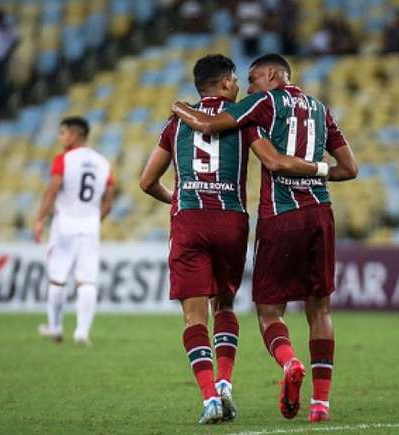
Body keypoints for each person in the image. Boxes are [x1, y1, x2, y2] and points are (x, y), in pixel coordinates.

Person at [140, 54, 328, 425]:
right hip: (231, 220)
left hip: (189, 219)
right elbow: (270, 158)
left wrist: (178, 198)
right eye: (237, 80)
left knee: (194, 316)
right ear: (226, 83)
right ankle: (225, 382)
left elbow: (147, 182)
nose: (241, 86)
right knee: (223, 306)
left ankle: (210, 398)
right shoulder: (245, 119)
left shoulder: (175, 123)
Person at [34, 117, 115, 345]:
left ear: (74, 135)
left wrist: (40, 219)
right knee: (87, 280)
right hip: (90, 226)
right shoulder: (103, 163)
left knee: (57, 278)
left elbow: (52, 191)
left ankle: (56, 327)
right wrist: (93, 220)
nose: (60, 137)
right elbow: (108, 202)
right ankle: (81, 332)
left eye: (63, 133)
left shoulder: (64, 160)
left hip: (65, 225)